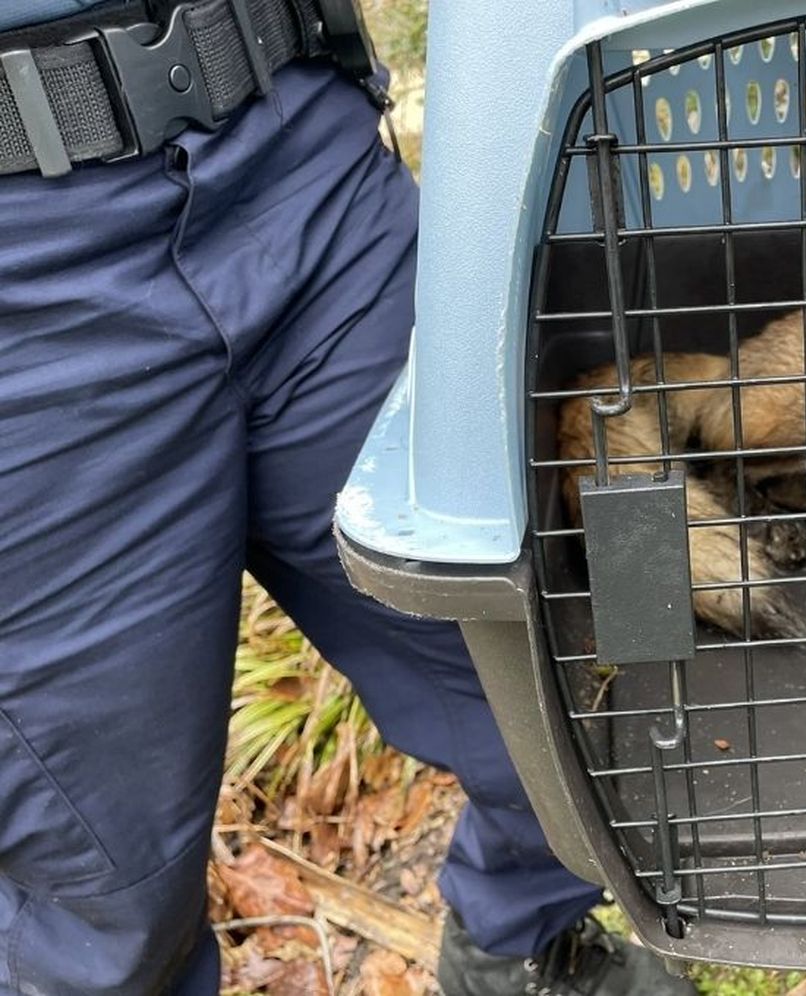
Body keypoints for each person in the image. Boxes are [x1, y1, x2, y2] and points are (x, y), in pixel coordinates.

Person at [0, 2, 696, 993]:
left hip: (296, 146)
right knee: (107, 908)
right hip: (24, 291)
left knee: (583, 671)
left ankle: (520, 944)